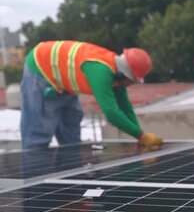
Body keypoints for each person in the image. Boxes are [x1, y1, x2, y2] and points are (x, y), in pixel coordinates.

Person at [20, 40, 163, 150]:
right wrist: (141, 135)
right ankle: (34, 182)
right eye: (132, 81)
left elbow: (126, 108)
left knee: (71, 133)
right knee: (38, 134)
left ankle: (70, 182)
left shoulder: (117, 76)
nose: (131, 85)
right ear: (125, 75)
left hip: (62, 80)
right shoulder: (101, 72)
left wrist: (139, 136)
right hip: (40, 69)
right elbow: (111, 113)